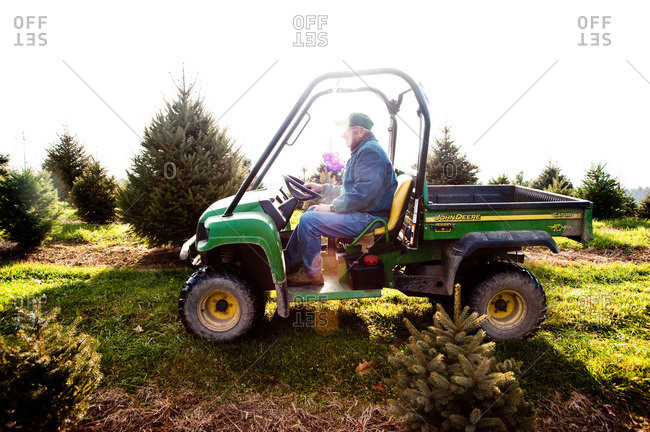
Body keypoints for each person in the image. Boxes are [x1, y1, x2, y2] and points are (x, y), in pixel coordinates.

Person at [284, 112, 397, 286]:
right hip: (365, 212)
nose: (342, 134)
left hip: (371, 218)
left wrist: (331, 208)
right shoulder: (363, 150)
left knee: (309, 221)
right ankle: (288, 263)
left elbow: (362, 195)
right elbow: (350, 190)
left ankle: (312, 275)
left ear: (360, 132)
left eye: (347, 130)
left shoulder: (370, 153)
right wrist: (322, 188)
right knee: (311, 212)